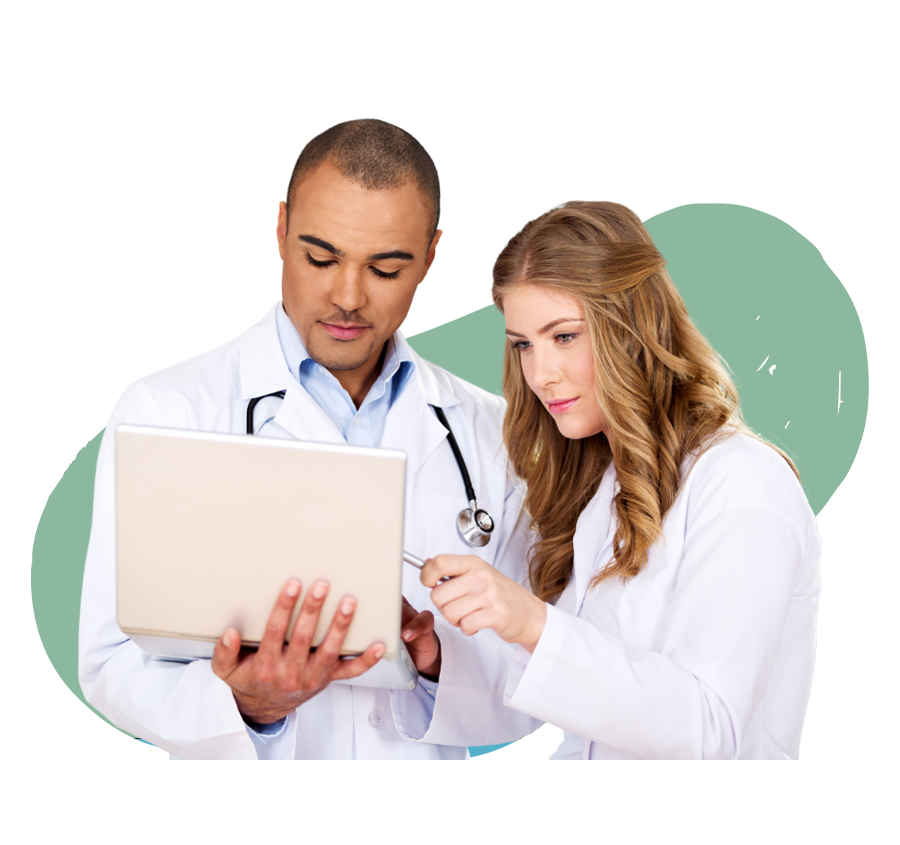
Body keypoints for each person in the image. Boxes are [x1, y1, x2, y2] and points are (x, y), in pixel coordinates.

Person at [78, 119, 541, 760]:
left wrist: (439, 665)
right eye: (320, 259)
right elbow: (109, 662)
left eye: (384, 268)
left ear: (429, 260)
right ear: (281, 231)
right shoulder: (168, 411)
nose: (347, 297)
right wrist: (247, 704)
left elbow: (529, 685)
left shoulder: (495, 433)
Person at [415, 201, 821, 759]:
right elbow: (577, 695)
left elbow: (708, 728)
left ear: (632, 327)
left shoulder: (741, 483)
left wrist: (532, 621)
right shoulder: (603, 492)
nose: (538, 374)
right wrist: (437, 660)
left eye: (563, 337)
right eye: (523, 344)